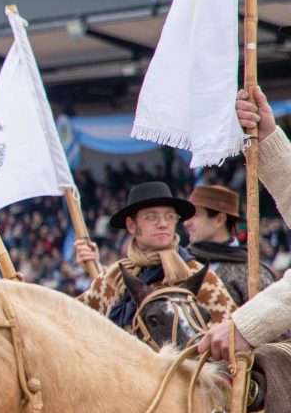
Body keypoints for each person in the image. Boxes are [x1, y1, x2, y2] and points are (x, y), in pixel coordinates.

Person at [201, 87, 291, 360]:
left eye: (191, 215)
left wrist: (248, 326)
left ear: (219, 220)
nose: (186, 224)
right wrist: (268, 140)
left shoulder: (245, 268)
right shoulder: (180, 267)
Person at [74, 181, 235, 331]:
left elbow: (227, 343)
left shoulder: (202, 280)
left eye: (170, 216)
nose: (163, 223)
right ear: (131, 225)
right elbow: (70, 320)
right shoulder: (111, 279)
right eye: (152, 217)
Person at [184, 183, 274, 306]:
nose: (186, 223)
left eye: (195, 215)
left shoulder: (251, 272)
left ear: (219, 219)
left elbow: (270, 320)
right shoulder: (181, 263)